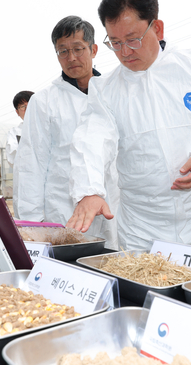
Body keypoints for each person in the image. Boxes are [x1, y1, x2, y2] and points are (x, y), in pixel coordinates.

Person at [68, 0, 191, 252]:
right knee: (141, 278)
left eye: (133, 40)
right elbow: (91, 139)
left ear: (157, 28)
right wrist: (89, 190)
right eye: (115, 42)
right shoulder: (105, 89)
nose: (124, 52)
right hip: (142, 226)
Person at [14, 16, 118, 248]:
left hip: (111, 208)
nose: (71, 58)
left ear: (93, 49)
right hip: (62, 212)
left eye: (78, 49)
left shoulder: (113, 92)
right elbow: (31, 163)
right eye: (63, 51)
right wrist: (32, 225)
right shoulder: (44, 101)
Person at [6, 91, 32, 167]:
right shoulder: (15, 133)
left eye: (31, 105)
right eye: (23, 106)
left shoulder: (48, 127)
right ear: (17, 112)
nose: (27, 109)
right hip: (26, 173)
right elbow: (13, 158)